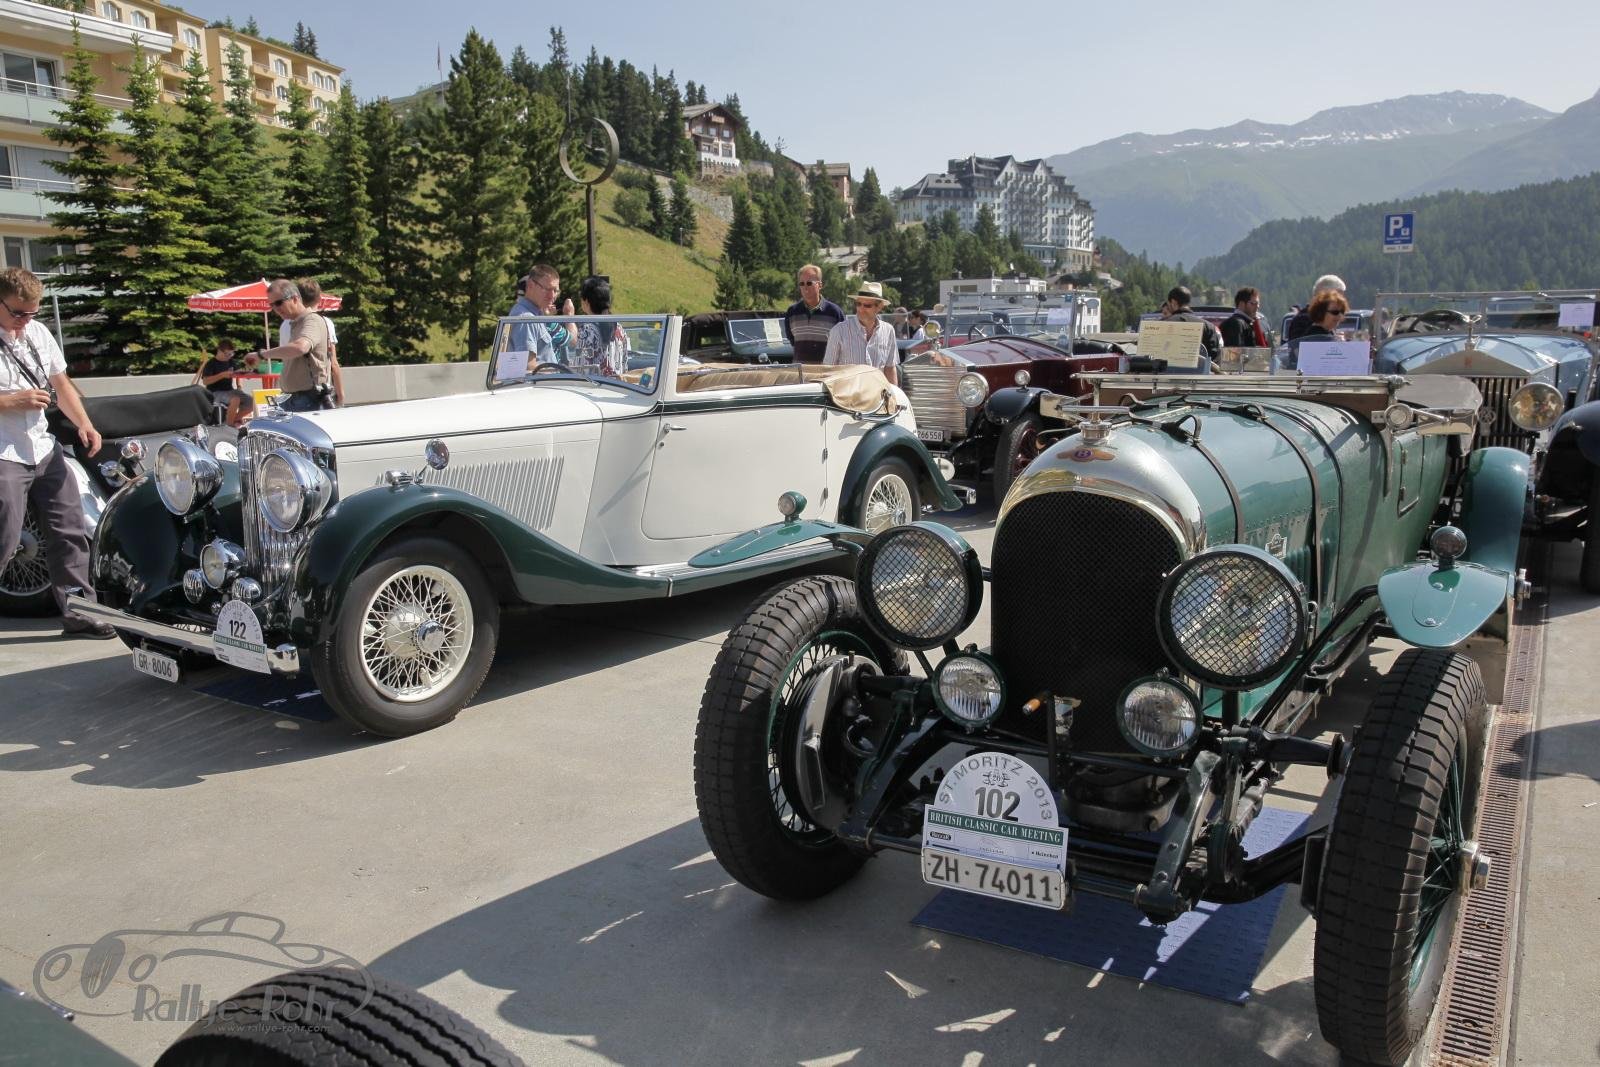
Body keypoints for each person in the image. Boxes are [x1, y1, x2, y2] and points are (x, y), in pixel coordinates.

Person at [0, 267, 112, 637]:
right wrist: (11, 401)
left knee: (70, 531)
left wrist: (84, 423)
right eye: (17, 313)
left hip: (44, 449)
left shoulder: (38, 332)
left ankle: (80, 614)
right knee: (5, 538)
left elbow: (60, 384)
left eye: (32, 313)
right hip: (4, 452)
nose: (24, 321)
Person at [255, 279, 333, 412]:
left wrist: (262, 354)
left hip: (307, 398)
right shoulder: (295, 323)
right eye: (272, 305)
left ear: (295, 298)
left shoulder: (312, 320)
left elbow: (300, 347)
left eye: (279, 303)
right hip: (293, 398)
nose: (275, 309)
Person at [279, 278, 344, 407]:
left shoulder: (286, 324)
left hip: (288, 392)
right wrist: (340, 394)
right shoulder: (323, 322)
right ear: (319, 298)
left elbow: (285, 357)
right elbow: (333, 362)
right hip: (313, 393)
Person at [823, 281, 899, 386]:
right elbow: (828, 370)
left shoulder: (888, 331)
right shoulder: (839, 331)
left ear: (879, 307)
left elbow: (890, 369)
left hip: (878, 394)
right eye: (858, 304)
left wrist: (894, 394)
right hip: (847, 394)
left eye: (867, 305)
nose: (861, 309)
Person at [507, 265, 575, 364]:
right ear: (530, 285)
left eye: (555, 291)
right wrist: (569, 315)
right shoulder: (527, 320)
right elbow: (528, 367)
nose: (552, 296)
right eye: (547, 289)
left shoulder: (536, 315)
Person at [782, 264, 844, 363]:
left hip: (827, 371)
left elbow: (842, 343)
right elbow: (793, 340)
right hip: (800, 371)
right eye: (802, 284)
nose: (805, 287)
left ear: (820, 285)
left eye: (809, 283)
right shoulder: (792, 312)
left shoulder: (835, 312)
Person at [572, 275, 626, 378]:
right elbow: (624, 365)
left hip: (593, 386)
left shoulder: (587, 331)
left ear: (586, 301)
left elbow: (581, 367)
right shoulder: (619, 328)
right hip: (617, 385)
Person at [1284, 288, 1350, 371]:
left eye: (1342, 311)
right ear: (1321, 312)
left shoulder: (1329, 333)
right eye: (1335, 312)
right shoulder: (1315, 335)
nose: (1339, 316)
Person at [1162, 286, 1223, 366]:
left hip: (1167, 373)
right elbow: (1215, 360)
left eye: (1169, 303)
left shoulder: (1163, 324)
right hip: (1200, 373)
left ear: (1173, 302)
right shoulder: (1208, 326)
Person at [1285, 274, 1345, 342]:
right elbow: (1299, 346)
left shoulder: (1325, 325)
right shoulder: (1303, 320)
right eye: (1337, 297)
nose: (1340, 302)